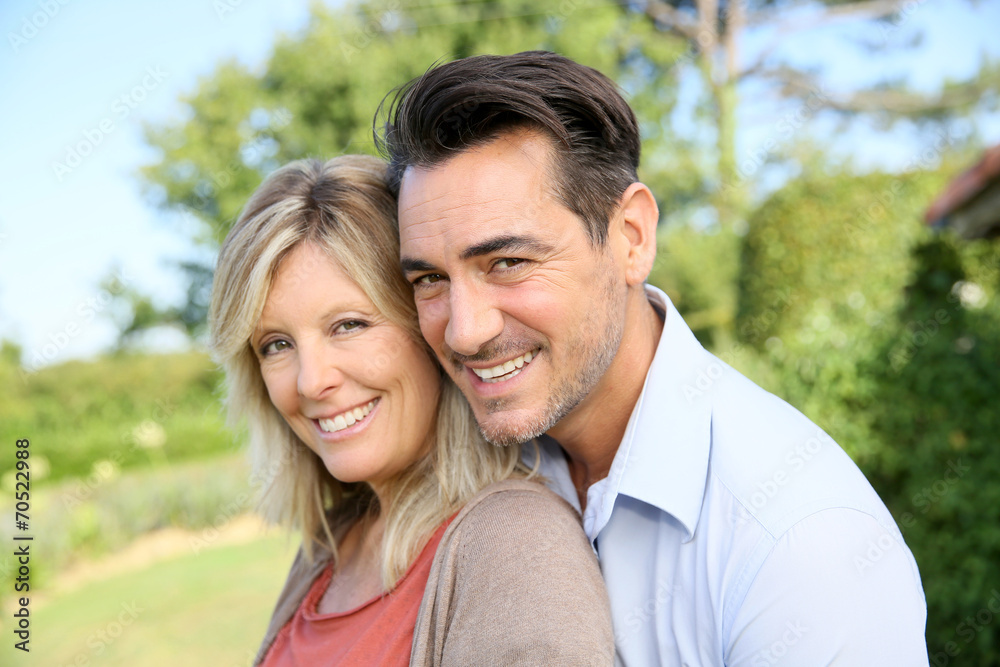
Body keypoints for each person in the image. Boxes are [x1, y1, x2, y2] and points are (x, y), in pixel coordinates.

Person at [377, 51, 930, 665]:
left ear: (631, 238)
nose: (463, 331)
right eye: (428, 278)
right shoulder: (468, 456)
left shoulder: (802, 545)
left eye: (508, 263)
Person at [208, 154, 614, 666]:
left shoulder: (516, 546)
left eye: (349, 325)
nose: (311, 381)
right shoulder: (330, 546)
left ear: (430, 327)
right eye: (275, 344)